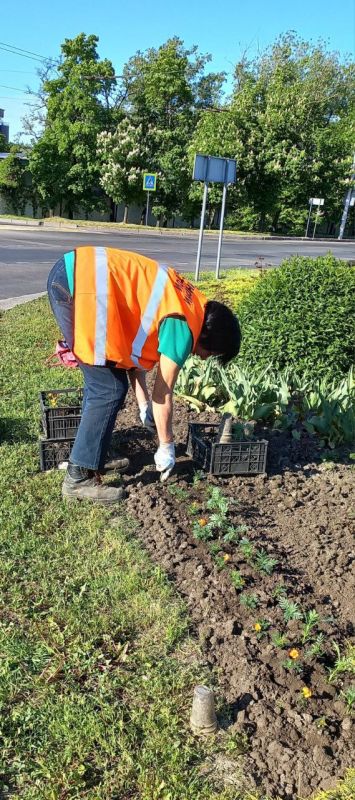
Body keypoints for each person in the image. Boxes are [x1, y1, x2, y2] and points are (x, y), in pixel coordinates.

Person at [47, 246, 241, 503]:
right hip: (82, 285)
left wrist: (142, 405)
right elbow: (164, 394)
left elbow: (131, 361)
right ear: (211, 339)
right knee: (107, 389)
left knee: (108, 383)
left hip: (78, 275)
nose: (204, 358)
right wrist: (166, 445)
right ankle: (78, 478)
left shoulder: (190, 303)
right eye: (212, 354)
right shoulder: (182, 326)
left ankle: (93, 458)